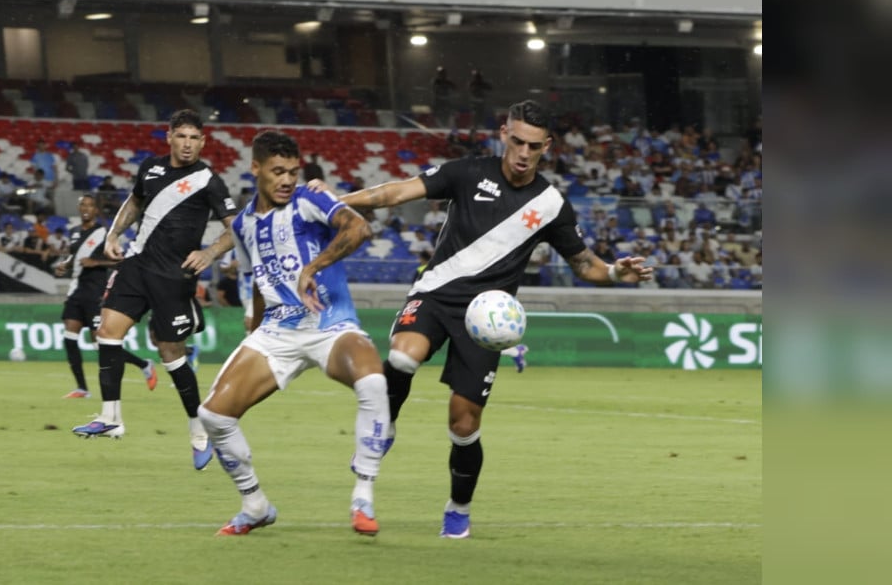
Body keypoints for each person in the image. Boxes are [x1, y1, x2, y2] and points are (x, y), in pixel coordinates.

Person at [314, 100, 652, 538]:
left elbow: (584, 263)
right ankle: (387, 421)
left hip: (486, 321)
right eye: (516, 141)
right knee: (402, 356)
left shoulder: (550, 205)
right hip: (435, 295)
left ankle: (458, 506)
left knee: (464, 423)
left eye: (533, 145)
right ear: (503, 134)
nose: (523, 152)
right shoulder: (467, 172)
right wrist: (330, 206)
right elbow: (394, 192)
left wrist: (613, 272)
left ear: (546, 146)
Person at [198, 130, 390, 536]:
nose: (287, 180)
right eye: (277, 171)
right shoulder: (245, 223)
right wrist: (254, 319)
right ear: (256, 169)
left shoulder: (308, 199)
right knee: (213, 415)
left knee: (373, 381)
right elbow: (254, 276)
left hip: (329, 324)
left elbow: (358, 229)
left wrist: (313, 267)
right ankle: (255, 505)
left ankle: (363, 495)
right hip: (276, 332)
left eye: (292, 171)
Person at [71, 109, 238, 472]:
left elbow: (235, 227)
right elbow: (134, 202)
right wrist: (114, 234)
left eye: (195, 138)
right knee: (107, 332)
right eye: (182, 137)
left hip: (174, 277)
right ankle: (111, 416)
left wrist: (210, 252)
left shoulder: (209, 180)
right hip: (137, 265)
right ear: (169, 137)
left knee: (170, 352)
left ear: (203, 141)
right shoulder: (150, 169)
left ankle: (199, 429)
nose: (188, 144)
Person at [54, 195, 156, 399]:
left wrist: (96, 262)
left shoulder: (104, 234)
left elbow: (120, 260)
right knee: (69, 337)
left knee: (100, 344)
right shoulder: (74, 233)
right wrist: (65, 264)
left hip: (95, 293)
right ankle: (82, 388)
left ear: (96, 211)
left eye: (90, 205)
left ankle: (144, 364)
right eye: (82, 204)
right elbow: (75, 256)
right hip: (76, 291)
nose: (85, 208)